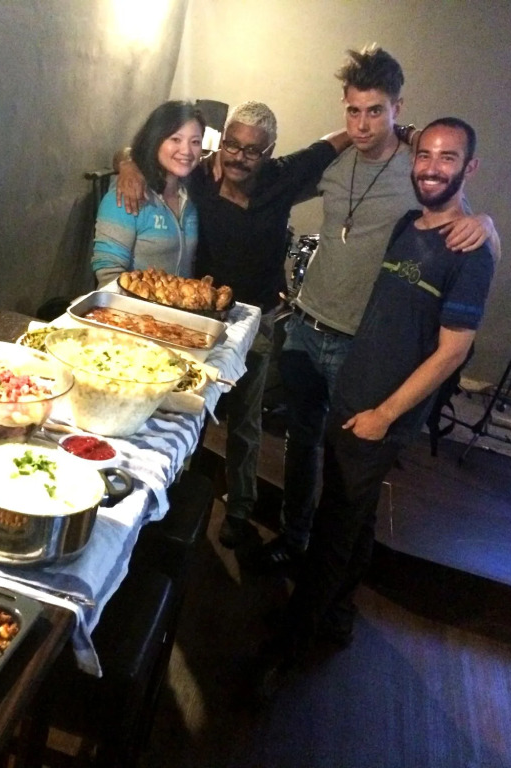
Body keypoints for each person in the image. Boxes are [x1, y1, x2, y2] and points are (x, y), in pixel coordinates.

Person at [258, 117, 496, 690]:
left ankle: (286, 651)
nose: (432, 167)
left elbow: (452, 353)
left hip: (382, 414)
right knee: (355, 516)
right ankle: (338, 615)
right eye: (425, 155)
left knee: (333, 526)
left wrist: (386, 415)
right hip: (352, 395)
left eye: (448, 158)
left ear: (469, 167)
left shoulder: (471, 251)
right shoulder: (407, 226)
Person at [264, 44, 500, 574]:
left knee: (351, 471)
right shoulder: (334, 160)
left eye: (376, 111)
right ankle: (294, 539)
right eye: (354, 111)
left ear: (398, 108)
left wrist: (487, 223)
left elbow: (466, 223)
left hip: (359, 348)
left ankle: (334, 576)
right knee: (301, 443)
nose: (363, 124)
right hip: (306, 325)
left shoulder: (418, 170)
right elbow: (269, 186)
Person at [116, 101, 353, 549]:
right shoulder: (201, 173)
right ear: (222, 140)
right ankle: (175, 493)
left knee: (245, 419)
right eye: (232, 145)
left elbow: (331, 144)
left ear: (270, 151)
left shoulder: (284, 176)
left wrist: (396, 129)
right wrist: (127, 163)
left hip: (256, 317)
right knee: (189, 408)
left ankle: (240, 509)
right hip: (200, 317)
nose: (239, 157)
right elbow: (145, 151)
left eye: (252, 151)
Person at [91, 100, 204, 288]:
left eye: (195, 142)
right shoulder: (129, 193)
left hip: (178, 306)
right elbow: (108, 273)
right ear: (155, 139)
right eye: (175, 139)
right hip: (130, 306)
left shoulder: (190, 198)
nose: (186, 151)